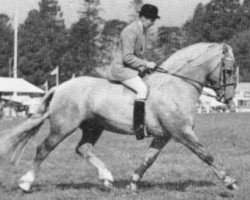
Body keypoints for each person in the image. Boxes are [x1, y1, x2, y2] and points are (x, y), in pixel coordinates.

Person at [107, 4, 160, 140]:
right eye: (150, 19)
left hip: (130, 68)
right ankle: (138, 127)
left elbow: (137, 56)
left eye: (153, 19)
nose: (152, 22)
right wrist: (145, 64)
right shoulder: (131, 31)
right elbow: (127, 57)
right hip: (121, 69)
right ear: (142, 17)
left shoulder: (141, 31)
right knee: (142, 89)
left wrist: (145, 66)